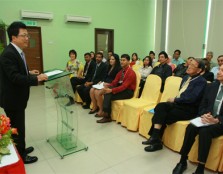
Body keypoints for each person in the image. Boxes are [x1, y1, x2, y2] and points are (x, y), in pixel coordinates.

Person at [0, 21, 48, 164]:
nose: (27, 38)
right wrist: (36, 79)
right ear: (13, 37)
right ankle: (21, 155)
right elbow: (14, 77)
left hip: (18, 98)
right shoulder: (8, 54)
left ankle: (21, 148)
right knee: (17, 127)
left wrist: (29, 72)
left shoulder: (17, 51)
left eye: (28, 35)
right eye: (24, 35)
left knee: (19, 126)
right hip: (12, 99)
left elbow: (18, 72)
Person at [142, 58, 207, 152]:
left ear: (199, 70)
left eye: (193, 66)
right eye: (189, 64)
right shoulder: (185, 77)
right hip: (179, 104)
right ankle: (155, 138)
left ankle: (155, 140)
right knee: (160, 107)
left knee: (161, 114)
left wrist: (175, 99)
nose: (189, 66)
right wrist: (176, 100)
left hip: (189, 109)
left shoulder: (201, 81)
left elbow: (192, 98)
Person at [172, 64, 223, 174]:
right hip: (206, 118)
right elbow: (202, 105)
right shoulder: (212, 86)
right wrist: (205, 114)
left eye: (222, 71)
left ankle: (200, 168)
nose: (219, 72)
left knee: (205, 132)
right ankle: (182, 161)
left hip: (220, 122)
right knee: (191, 127)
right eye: (219, 69)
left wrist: (217, 120)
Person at [96, 54, 136, 123]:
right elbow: (114, 82)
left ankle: (106, 115)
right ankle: (105, 113)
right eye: (121, 60)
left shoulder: (131, 73)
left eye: (124, 60)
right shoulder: (121, 71)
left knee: (108, 94)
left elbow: (124, 87)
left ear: (129, 61)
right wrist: (107, 87)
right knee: (106, 91)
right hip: (120, 88)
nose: (122, 62)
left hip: (128, 92)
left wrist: (111, 90)